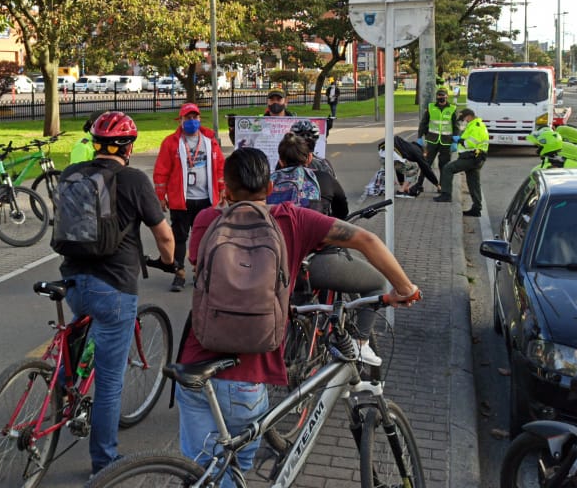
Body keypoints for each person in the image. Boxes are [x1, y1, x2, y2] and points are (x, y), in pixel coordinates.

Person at [177, 147, 420, 481]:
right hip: (246, 376)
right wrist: (404, 288)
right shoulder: (292, 220)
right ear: (269, 187)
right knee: (231, 473)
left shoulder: (207, 220)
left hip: (194, 366)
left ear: (226, 187)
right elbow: (365, 239)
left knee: (202, 471)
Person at [60, 111, 175, 478]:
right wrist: (170, 262)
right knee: (110, 383)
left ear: (94, 143)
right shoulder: (133, 179)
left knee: (81, 330)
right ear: (129, 145)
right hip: (114, 288)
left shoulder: (71, 175)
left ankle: (61, 390)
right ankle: (104, 463)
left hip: (73, 282)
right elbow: (164, 235)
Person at [153, 103, 225, 292]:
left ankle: (200, 272)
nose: (192, 121)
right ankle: (179, 273)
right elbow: (161, 171)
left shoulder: (210, 140)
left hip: (206, 199)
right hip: (181, 201)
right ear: (181, 120)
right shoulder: (171, 142)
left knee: (205, 238)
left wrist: (223, 189)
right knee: (179, 237)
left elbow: (220, 168)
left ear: (200, 119)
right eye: (188, 118)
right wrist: (160, 195)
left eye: (195, 117)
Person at [435, 107, 489, 217]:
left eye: (463, 119)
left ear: (469, 116)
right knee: (473, 183)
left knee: (448, 168)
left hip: (472, 158)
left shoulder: (476, 126)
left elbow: (471, 143)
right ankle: (477, 208)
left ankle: (446, 194)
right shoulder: (474, 125)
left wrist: (459, 140)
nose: (463, 121)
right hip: (475, 158)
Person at [418, 87, 457, 171]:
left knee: (444, 165)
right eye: (439, 95)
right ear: (436, 97)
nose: (441, 97)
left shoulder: (452, 109)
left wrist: (455, 139)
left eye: (443, 95)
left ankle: (442, 184)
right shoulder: (431, 107)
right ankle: (419, 183)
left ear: (447, 96)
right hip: (432, 141)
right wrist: (419, 136)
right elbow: (423, 123)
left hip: (446, 142)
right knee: (426, 163)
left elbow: (455, 125)